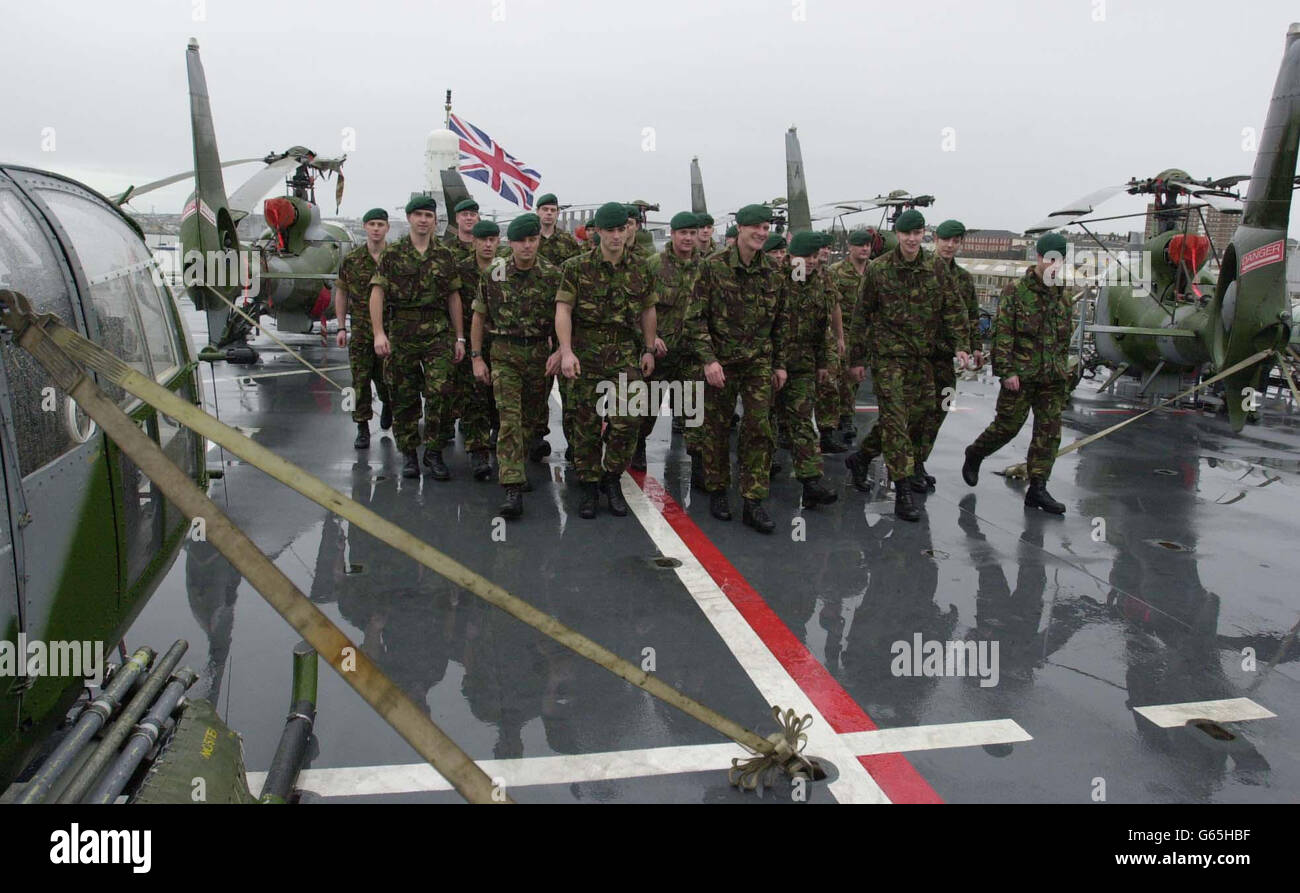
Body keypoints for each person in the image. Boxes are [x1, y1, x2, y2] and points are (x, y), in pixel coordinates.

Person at [845, 209, 969, 522]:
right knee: (896, 421)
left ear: (924, 234)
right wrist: (856, 359)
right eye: (906, 234)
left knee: (917, 418)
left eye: (918, 233)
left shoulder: (936, 268)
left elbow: (954, 309)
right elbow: (862, 315)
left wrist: (963, 345)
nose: (912, 239)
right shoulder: (879, 269)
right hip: (888, 359)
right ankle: (902, 491)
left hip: (921, 359)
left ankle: (862, 457)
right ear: (898, 235)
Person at [555, 201, 657, 519]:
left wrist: (649, 349)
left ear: (628, 230)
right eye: (609, 230)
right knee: (583, 423)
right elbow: (563, 310)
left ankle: (612, 478)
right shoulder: (576, 267)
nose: (615, 236)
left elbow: (648, 311)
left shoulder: (641, 267)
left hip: (624, 352)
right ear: (597, 232)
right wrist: (566, 350)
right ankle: (589, 485)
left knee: (628, 420)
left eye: (621, 230)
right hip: (586, 352)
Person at [689, 203, 787, 533]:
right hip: (721, 362)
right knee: (715, 429)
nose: (762, 233)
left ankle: (753, 499)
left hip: (758, 361)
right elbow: (695, 318)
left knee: (759, 427)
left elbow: (781, 323)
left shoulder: (774, 272)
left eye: (766, 227)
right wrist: (708, 360)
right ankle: (717, 489)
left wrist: (780, 364)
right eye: (755, 227)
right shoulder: (712, 268)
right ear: (740, 229)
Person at [962, 232, 1073, 514]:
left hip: (1052, 378)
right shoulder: (1016, 291)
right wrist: (1007, 371)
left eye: (1059, 261)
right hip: (1020, 376)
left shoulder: (1064, 297)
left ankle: (1038, 487)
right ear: (1038, 258)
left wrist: (1064, 373)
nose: (1055, 266)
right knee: (1007, 427)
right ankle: (976, 453)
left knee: (1048, 433)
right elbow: (1002, 335)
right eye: (1050, 260)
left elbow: (1064, 340)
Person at [369, 195, 465, 480]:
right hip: (402, 330)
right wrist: (378, 333)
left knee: (439, 392)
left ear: (435, 221)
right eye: (418, 215)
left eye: (428, 215)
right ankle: (409, 453)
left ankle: (433, 451)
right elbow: (377, 293)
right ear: (409, 218)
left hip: (437, 330)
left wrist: (459, 338)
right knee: (403, 395)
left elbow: (453, 297)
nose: (424, 220)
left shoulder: (445, 255)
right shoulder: (393, 253)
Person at [472, 213, 561, 519]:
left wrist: (561, 350)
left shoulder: (552, 274)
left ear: (538, 240)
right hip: (505, 353)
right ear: (510, 243)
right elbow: (479, 316)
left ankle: (516, 466)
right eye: (521, 241)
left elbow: (563, 316)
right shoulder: (494, 274)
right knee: (509, 418)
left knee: (529, 420)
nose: (527, 246)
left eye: (532, 240)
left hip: (539, 354)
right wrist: (476, 356)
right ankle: (511, 486)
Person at [915, 219, 984, 487]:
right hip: (918, 355)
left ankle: (918, 461)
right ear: (935, 239)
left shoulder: (963, 279)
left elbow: (972, 316)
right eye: (946, 240)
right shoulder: (921, 271)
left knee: (942, 405)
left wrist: (975, 346)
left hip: (944, 356)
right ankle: (898, 464)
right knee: (914, 412)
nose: (950, 245)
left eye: (956, 241)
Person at [635, 211, 705, 470]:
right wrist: (651, 341)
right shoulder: (654, 265)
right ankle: (638, 446)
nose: (688, 238)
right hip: (661, 351)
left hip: (692, 352)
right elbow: (639, 307)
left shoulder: (706, 267)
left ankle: (698, 460)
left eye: (692, 233)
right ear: (672, 234)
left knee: (694, 408)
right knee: (648, 405)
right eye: (683, 233)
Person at [773, 231, 838, 508]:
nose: (811, 262)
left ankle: (811, 481)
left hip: (802, 365)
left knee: (802, 423)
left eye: (815, 256)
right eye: (805, 256)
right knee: (762, 423)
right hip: (770, 363)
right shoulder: (773, 279)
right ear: (791, 256)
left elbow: (822, 327)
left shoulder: (822, 281)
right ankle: (756, 474)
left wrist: (823, 362)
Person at [335, 207, 392, 449]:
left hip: (390, 329)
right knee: (360, 380)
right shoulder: (352, 259)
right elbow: (342, 292)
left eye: (380, 224)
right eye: (372, 224)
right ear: (365, 227)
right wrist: (340, 327)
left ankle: (388, 404)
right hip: (360, 328)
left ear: (387, 227)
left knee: (387, 378)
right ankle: (362, 426)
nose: (376, 228)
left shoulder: (396, 258)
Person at [454, 219, 504, 481]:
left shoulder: (507, 269)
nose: (487, 245)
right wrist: (459, 340)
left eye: (492, 240)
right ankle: (478, 452)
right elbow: (452, 305)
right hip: (471, 343)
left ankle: (497, 435)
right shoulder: (461, 270)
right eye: (483, 240)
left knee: (499, 396)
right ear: (473, 242)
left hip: (502, 343)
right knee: (473, 397)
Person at [822, 229, 872, 447]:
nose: (864, 249)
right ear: (850, 247)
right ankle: (834, 422)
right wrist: (838, 336)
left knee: (855, 378)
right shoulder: (836, 272)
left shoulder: (874, 271)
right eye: (860, 245)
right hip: (843, 332)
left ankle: (846, 417)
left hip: (865, 334)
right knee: (838, 379)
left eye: (868, 245)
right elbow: (833, 305)